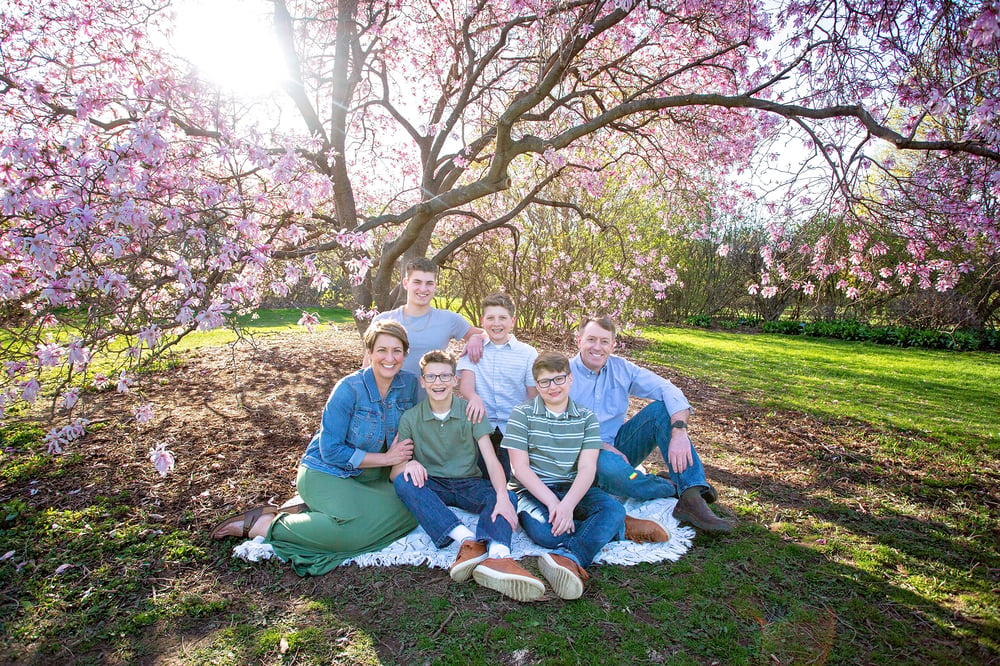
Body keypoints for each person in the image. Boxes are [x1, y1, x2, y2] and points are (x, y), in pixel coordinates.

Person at [209, 319, 420, 575]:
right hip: (328, 472)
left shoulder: (408, 385)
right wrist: (386, 459)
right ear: (369, 353)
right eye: (382, 350)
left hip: (372, 478)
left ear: (405, 354)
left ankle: (309, 510)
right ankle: (266, 525)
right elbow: (331, 450)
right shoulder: (348, 389)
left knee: (410, 512)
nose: (390, 358)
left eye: (397, 351)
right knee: (354, 531)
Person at [503, 352, 668, 600]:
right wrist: (554, 504)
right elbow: (519, 469)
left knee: (612, 509)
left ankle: (571, 557)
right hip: (532, 490)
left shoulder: (586, 418)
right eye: (545, 382)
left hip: (574, 487)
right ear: (537, 385)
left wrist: (568, 504)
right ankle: (617, 529)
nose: (553, 387)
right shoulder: (521, 415)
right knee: (547, 534)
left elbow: (588, 468)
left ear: (570, 380)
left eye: (559, 379)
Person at [391, 350, 545, 602]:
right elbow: (395, 471)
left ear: (454, 380)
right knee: (403, 481)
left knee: (505, 496)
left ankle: (498, 556)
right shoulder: (411, 418)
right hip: (434, 483)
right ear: (422, 381)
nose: (438, 382)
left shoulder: (471, 411)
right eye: (431, 377)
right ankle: (466, 539)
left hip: (469, 483)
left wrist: (502, 495)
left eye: (444, 376)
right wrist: (408, 465)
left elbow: (491, 461)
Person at [569, 317, 731, 533]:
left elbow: (667, 389)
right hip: (578, 453)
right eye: (591, 339)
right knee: (612, 468)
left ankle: (691, 495)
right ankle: (670, 487)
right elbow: (550, 426)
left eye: (604, 341)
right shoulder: (563, 374)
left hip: (618, 445)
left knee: (661, 410)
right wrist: (598, 445)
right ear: (579, 340)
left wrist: (680, 432)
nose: (597, 347)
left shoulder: (622, 369)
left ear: (613, 345)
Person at [458, 292, 538, 479]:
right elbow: (466, 386)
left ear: (512, 321)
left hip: (512, 427)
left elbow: (532, 396)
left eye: (503, 318)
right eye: (490, 318)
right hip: (480, 425)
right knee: (477, 473)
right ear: (482, 321)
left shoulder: (527, 353)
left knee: (510, 475)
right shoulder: (474, 349)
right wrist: (473, 397)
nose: (496, 323)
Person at [367, 258, 484, 386]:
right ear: (406, 284)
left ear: (435, 286)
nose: (423, 289)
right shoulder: (383, 321)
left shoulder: (449, 320)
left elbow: (493, 336)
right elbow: (367, 367)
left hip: (433, 402)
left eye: (429, 283)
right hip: (392, 403)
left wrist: (476, 337)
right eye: (417, 282)